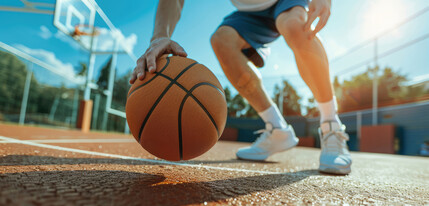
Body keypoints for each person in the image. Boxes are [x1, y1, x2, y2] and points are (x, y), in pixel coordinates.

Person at [130, 0, 352, 175]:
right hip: (251, 13)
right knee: (221, 40)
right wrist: (158, 38)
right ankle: (277, 129)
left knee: (293, 24)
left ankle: (331, 125)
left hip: (287, 1)